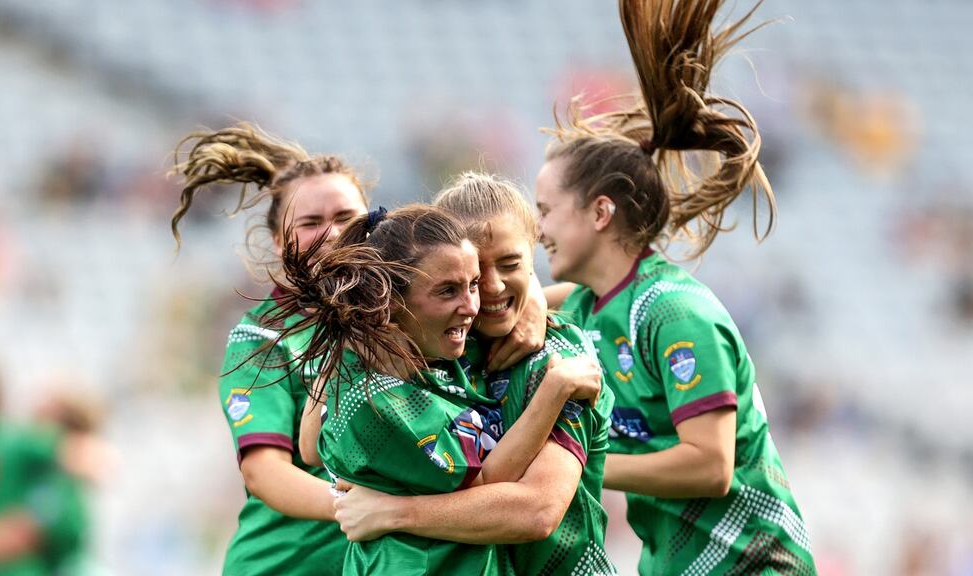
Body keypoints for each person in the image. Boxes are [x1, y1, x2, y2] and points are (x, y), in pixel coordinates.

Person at [172, 123, 547, 575]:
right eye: (310, 222)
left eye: (345, 217)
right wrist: (368, 508)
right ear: (278, 241)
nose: (331, 234)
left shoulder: (413, 315)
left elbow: (494, 291)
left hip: (376, 558)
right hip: (289, 564)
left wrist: (536, 302)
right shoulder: (264, 336)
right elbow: (266, 473)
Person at [535, 0, 816, 573]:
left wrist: (578, 462)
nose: (539, 231)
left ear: (599, 213)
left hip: (751, 564)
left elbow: (710, 466)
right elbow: (517, 309)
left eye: (545, 211)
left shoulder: (674, 313)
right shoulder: (590, 304)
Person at [275, 205, 603, 575]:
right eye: (448, 289)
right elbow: (491, 484)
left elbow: (587, 289)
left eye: (475, 282)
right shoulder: (379, 398)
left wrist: (534, 301)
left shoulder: (438, 345)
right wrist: (554, 390)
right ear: (391, 299)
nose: (477, 302)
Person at [0, 362, 101, 576]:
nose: (34, 406)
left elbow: (19, 536)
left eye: (48, 402)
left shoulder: (58, 489)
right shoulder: (24, 467)